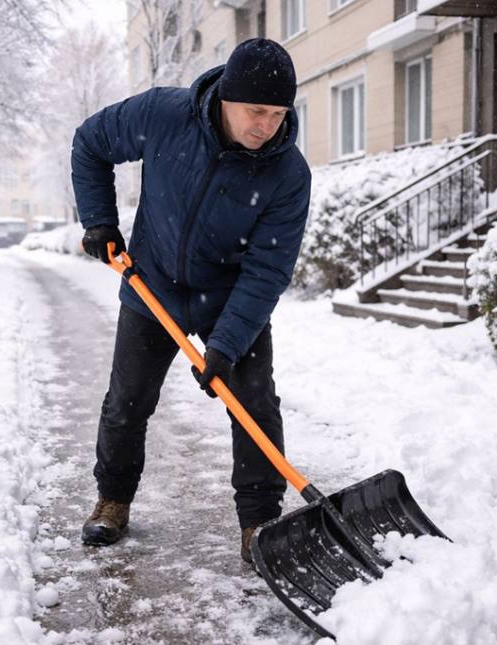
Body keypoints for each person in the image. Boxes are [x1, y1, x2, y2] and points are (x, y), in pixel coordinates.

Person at [71, 38, 311, 564]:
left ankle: (259, 525)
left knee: (253, 404)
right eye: (256, 111)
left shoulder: (287, 174)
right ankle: (112, 499)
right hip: (150, 283)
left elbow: (268, 269)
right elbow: (90, 142)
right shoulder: (164, 114)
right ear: (227, 96)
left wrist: (226, 344)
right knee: (126, 402)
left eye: (278, 114)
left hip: (228, 298)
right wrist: (99, 220)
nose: (266, 126)